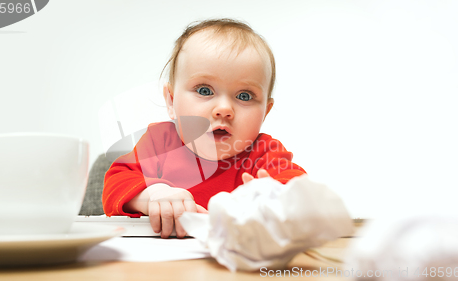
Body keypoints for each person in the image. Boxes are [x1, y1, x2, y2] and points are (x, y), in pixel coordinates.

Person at [102, 18, 306, 238]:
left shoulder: (265, 153)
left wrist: (276, 198)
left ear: (265, 113)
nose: (224, 109)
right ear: (171, 101)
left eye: (244, 96)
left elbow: (303, 193)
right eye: (205, 91)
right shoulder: (159, 142)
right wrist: (153, 194)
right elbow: (115, 185)